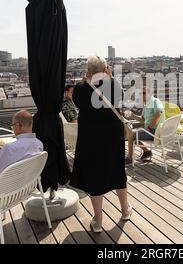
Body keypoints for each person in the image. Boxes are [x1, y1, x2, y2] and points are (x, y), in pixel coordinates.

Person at [69, 55, 132, 233]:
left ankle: (98, 220)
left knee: (95, 176)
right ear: (105, 69)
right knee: (117, 170)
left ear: (88, 70)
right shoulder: (114, 84)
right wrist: (110, 78)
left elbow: (77, 102)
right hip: (112, 135)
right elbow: (119, 99)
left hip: (91, 138)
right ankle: (125, 210)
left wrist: (85, 80)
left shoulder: (81, 88)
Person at [126, 86, 166, 163]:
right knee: (132, 134)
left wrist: (149, 128)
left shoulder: (155, 101)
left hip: (155, 133)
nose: (142, 95)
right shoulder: (146, 104)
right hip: (152, 131)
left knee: (130, 134)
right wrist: (133, 116)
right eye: (140, 93)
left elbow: (158, 113)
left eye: (144, 93)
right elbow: (143, 119)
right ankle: (146, 152)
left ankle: (130, 158)